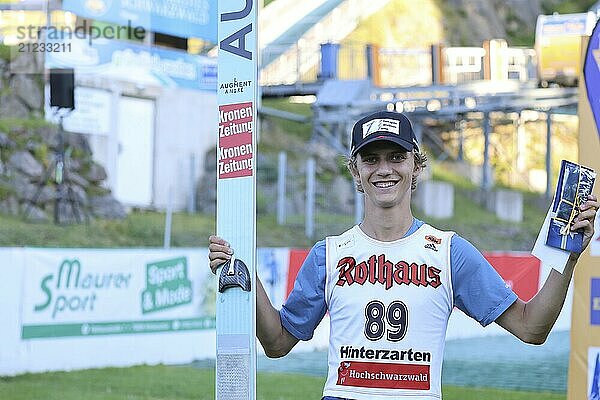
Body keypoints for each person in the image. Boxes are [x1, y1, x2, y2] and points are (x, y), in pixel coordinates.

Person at [208, 110, 599, 400]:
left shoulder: (450, 253)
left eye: (396, 157)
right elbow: (277, 343)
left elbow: (532, 329)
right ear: (355, 171)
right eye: (371, 159)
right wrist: (241, 268)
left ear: (416, 167)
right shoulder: (328, 254)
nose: (384, 169)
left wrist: (569, 256)